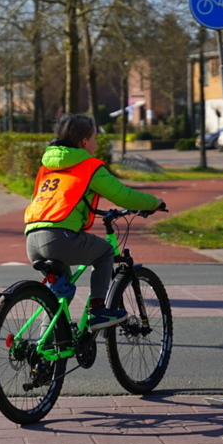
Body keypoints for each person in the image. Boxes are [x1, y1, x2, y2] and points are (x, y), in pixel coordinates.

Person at [24, 113, 165, 330]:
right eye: (95, 139)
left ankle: (47, 351)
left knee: (60, 294)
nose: (97, 143)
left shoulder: (46, 167)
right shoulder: (89, 166)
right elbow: (123, 196)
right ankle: (98, 310)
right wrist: (154, 202)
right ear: (84, 142)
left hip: (32, 238)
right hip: (60, 238)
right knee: (105, 252)